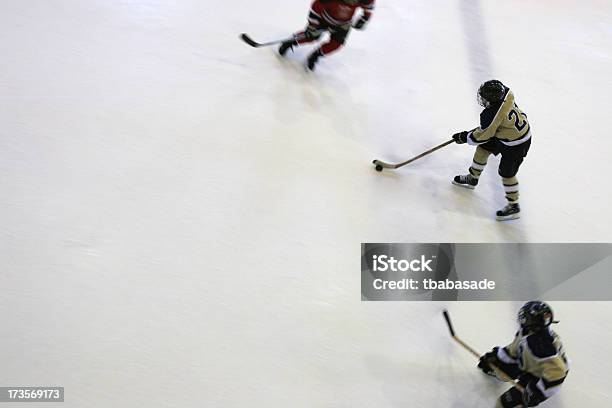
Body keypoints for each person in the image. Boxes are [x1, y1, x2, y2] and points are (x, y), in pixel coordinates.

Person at [452, 80, 531, 220]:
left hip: (517, 145)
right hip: (507, 133)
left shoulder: (491, 115)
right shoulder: (507, 93)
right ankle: (473, 178)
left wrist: (464, 137)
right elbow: (490, 129)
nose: (483, 99)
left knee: (506, 173)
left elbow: (482, 136)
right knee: (483, 149)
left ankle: (514, 206)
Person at [478, 301, 569, 407]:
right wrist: (496, 358)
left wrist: (537, 392)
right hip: (532, 364)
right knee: (502, 369)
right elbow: (515, 349)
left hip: (541, 376)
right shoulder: (529, 333)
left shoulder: (540, 345)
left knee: (503, 404)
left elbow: (557, 374)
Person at [278, 0, 375, 70]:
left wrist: (363, 19)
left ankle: (315, 55)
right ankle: (289, 42)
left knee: (336, 44)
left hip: (343, 25)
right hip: (322, 19)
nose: (352, 3)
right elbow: (315, 8)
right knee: (310, 36)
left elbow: (369, 8)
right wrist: (312, 26)